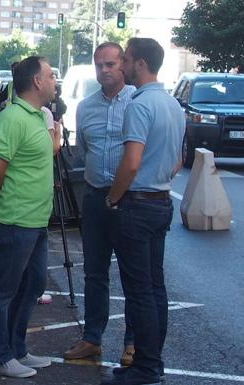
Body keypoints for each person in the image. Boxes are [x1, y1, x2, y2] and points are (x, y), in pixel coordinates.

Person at [100, 38, 185, 385]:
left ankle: (146, 368)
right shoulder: (173, 105)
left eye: (126, 60)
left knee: (139, 293)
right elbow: (179, 159)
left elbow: (131, 163)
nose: (120, 67)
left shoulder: (138, 105)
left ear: (140, 64)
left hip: (136, 205)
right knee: (155, 288)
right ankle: (152, 363)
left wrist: (113, 198)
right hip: (161, 203)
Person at [0, 56, 60, 378]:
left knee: (33, 285)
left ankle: (17, 349)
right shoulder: (12, 118)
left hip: (37, 221)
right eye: (51, 76)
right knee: (3, 291)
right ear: (36, 82)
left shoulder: (38, 116)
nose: (54, 81)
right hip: (14, 221)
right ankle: (0, 358)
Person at [63, 42, 137, 366]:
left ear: (123, 65)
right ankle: (92, 339)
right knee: (94, 273)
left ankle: (132, 344)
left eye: (110, 64)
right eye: (99, 65)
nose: (104, 70)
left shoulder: (137, 101)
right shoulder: (86, 107)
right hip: (94, 197)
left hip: (129, 199)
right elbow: (82, 152)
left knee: (133, 274)